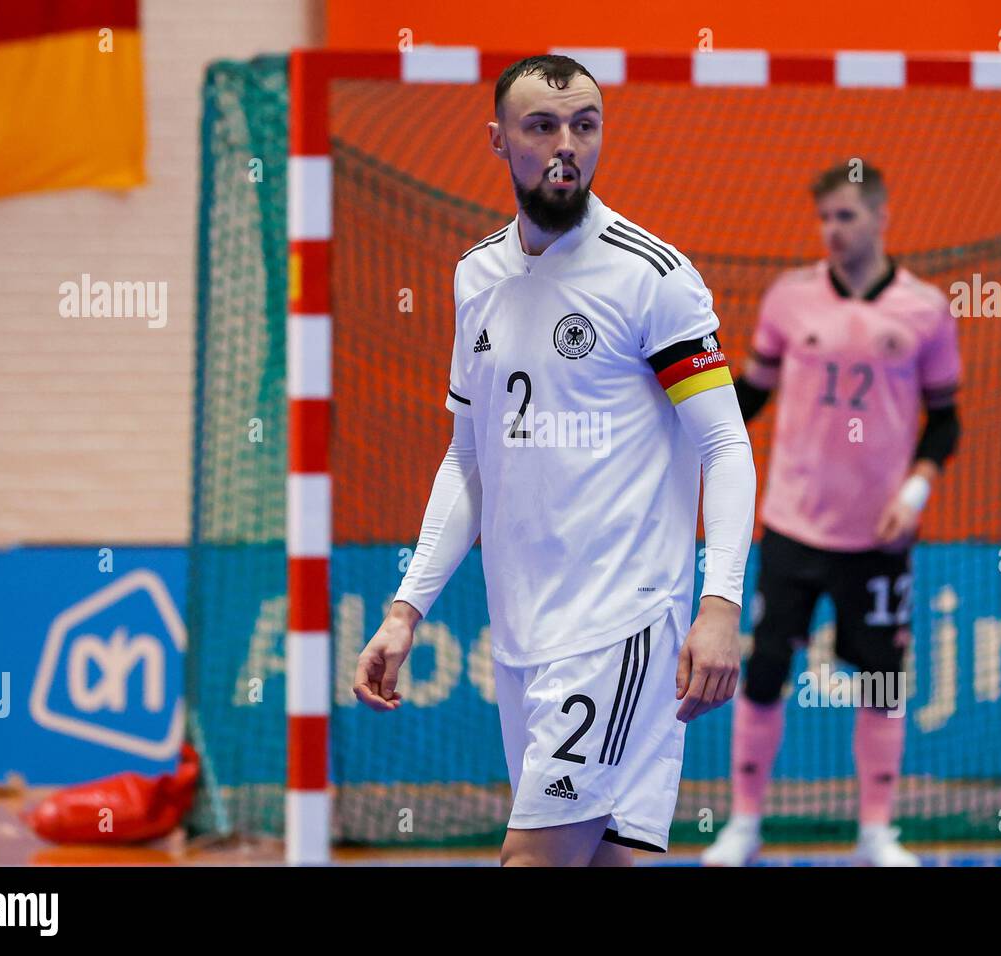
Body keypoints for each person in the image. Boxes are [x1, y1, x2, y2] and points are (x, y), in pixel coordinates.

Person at [353, 55, 757, 867]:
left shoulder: (653, 276)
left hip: (622, 623)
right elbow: (467, 458)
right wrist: (406, 609)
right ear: (498, 140)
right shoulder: (477, 277)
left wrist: (720, 603)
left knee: (532, 861)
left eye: (585, 124)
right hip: (522, 635)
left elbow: (726, 443)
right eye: (542, 126)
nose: (566, 144)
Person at [702, 162, 962, 867]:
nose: (833, 230)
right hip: (793, 525)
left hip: (877, 536)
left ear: (880, 216)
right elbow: (749, 393)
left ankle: (876, 831)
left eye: (846, 216)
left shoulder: (925, 309)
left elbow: (944, 422)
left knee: (880, 679)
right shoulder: (789, 300)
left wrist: (915, 491)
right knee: (761, 675)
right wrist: (678, 421)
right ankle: (745, 823)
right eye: (824, 218)